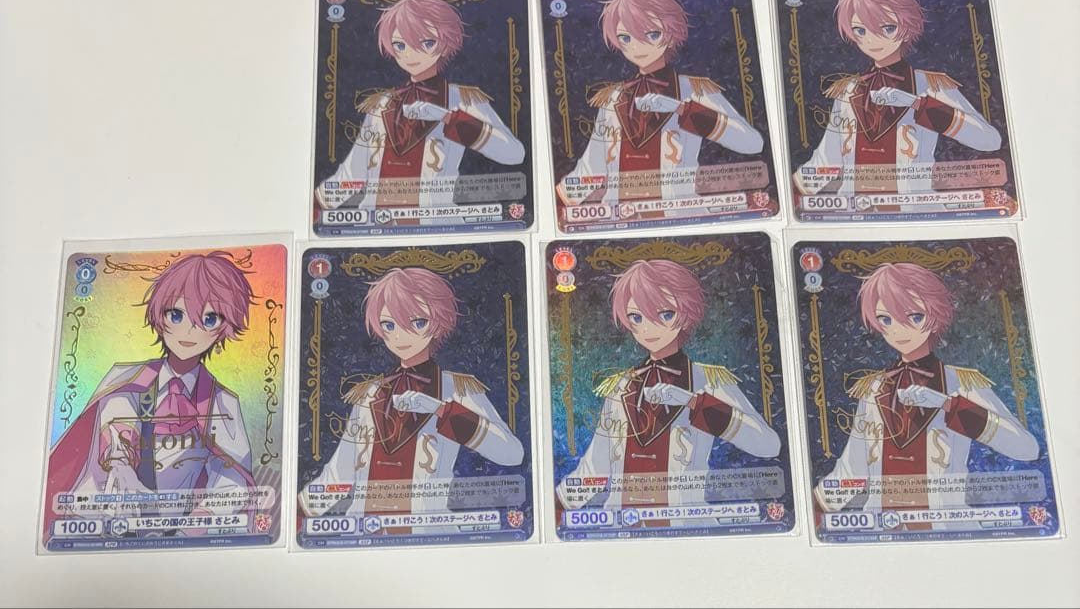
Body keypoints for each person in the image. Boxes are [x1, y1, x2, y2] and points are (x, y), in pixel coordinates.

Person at [44, 252, 257, 537]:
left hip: (180, 532)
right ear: (159, 316)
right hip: (109, 523)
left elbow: (233, 479)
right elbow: (116, 426)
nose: (189, 331)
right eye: (176, 315)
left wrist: (197, 524)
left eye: (209, 319)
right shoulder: (127, 380)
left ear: (223, 328)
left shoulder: (222, 402)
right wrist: (122, 467)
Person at [815, 263, 1037, 529]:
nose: (898, 330)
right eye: (886, 319)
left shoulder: (961, 383)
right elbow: (853, 468)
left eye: (914, 317)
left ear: (935, 314)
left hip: (946, 529)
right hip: (882, 531)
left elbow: (1026, 449)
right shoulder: (873, 388)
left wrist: (949, 405)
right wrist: (814, 511)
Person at [557, 259, 779, 523]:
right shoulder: (620, 385)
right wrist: (556, 508)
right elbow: (596, 466)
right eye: (636, 317)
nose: (648, 328)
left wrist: (694, 403)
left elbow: (768, 445)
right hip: (622, 529)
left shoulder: (708, 380)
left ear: (686, 313)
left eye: (665, 314)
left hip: (685, 526)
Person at [299, 268, 522, 523]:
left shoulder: (457, 389)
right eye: (389, 325)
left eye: (417, 323)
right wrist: (295, 515)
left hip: (425, 529)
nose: (399, 336)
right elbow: (341, 472)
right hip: (364, 530)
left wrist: (442, 410)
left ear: (438, 322)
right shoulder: (369, 393)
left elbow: (511, 453)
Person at [316, 0, 524, 219]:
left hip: (434, 223)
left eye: (426, 43)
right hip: (377, 224)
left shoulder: (462, 99)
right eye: (400, 45)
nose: (410, 54)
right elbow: (354, 172)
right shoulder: (381, 104)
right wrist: (315, 208)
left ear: (445, 43)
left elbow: (513, 153)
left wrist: (449, 118)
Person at [557, 0, 762, 211]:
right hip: (619, 217)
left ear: (671, 34)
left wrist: (683, 110)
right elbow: (593, 165)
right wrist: (557, 204)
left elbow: (752, 143)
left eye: (652, 34)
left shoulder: (695, 90)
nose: (637, 47)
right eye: (625, 37)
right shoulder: (612, 97)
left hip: (679, 216)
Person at [794, 0, 1001, 201]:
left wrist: (918, 104)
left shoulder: (930, 85)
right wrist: (791, 195)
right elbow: (828, 158)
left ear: (907, 28)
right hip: (854, 209)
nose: (872, 40)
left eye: (888, 28)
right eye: (860, 30)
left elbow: (989, 140)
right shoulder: (848, 90)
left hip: (913, 208)